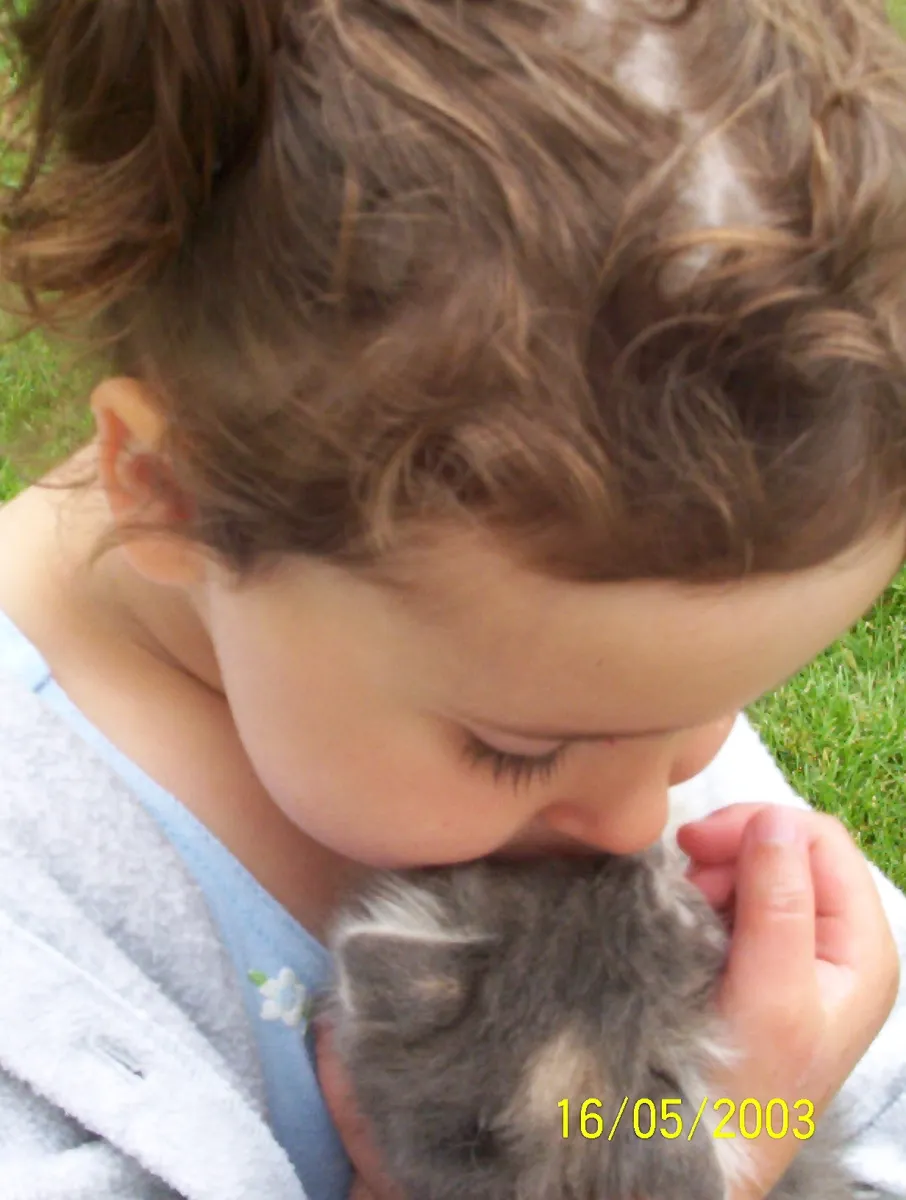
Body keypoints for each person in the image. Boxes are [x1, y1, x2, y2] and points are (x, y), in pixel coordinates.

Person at [0, 0, 905, 1197]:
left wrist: (771, 1105)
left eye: (716, 708)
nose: (644, 816)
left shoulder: (570, 685)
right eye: (516, 750)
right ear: (175, 497)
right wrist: (691, 1158)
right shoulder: (36, 933)